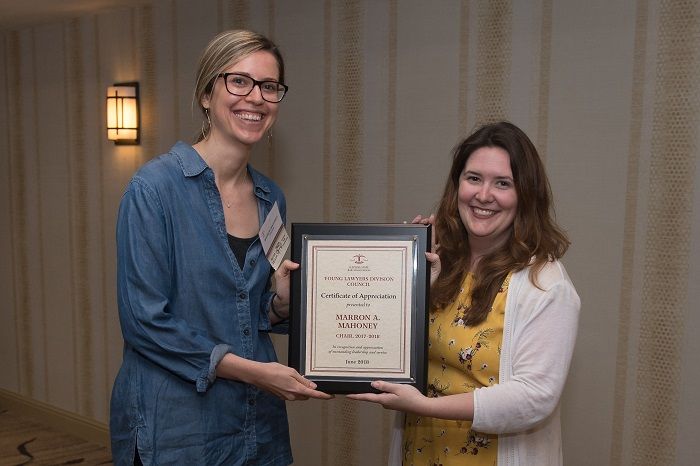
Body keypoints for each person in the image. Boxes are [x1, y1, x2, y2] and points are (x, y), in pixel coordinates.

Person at [110, 30, 331, 466]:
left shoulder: (270, 198)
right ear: (206, 94)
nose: (256, 98)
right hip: (177, 428)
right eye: (239, 81)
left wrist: (280, 304)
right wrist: (255, 373)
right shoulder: (154, 189)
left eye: (269, 86)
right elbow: (144, 321)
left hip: (255, 424)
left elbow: (245, 310)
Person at [349, 121, 580, 466]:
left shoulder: (546, 284)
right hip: (420, 452)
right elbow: (390, 343)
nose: (484, 195)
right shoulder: (441, 262)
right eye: (474, 178)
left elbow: (534, 397)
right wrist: (403, 271)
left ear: (526, 195)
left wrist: (425, 406)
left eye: (502, 183)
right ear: (457, 185)